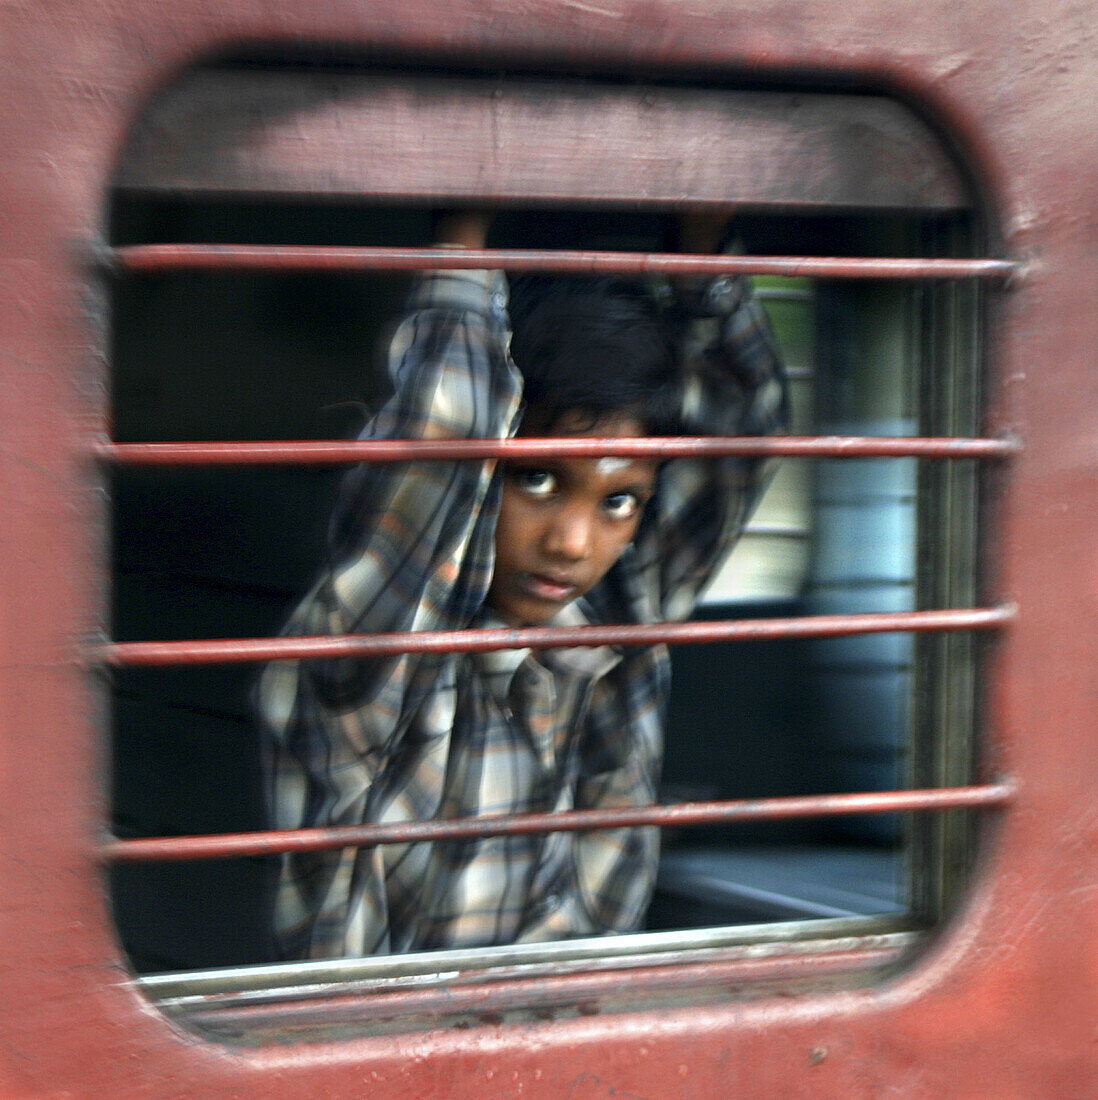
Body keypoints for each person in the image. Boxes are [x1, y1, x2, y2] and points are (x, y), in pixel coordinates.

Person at [256, 211, 787, 959]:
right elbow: (442, 439)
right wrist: (463, 243)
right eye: (535, 479)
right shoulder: (372, 656)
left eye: (617, 502)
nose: (573, 544)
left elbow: (741, 431)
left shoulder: (619, 615)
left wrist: (702, 260)